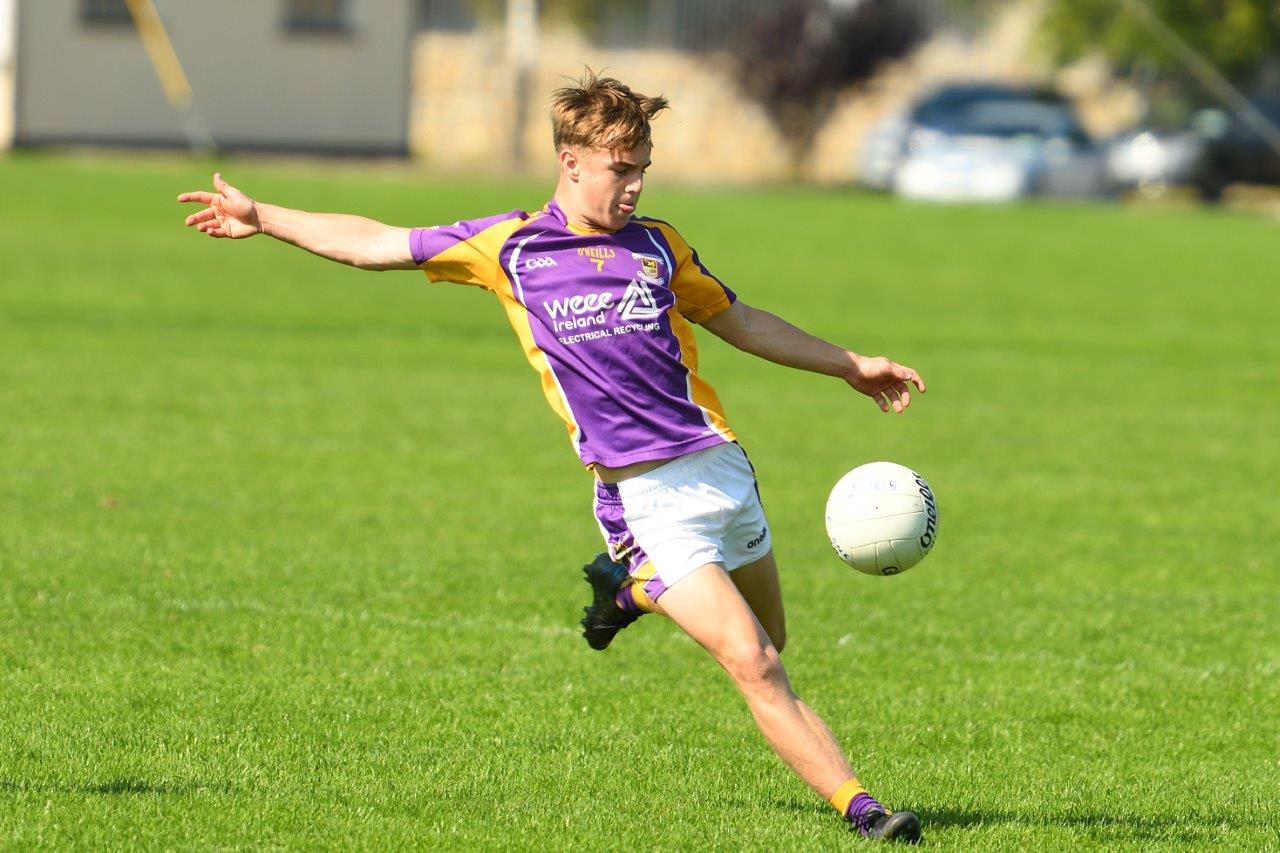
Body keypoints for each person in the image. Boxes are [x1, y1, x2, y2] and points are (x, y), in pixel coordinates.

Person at [178, 71, 927, 843]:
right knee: (754, 662)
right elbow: (376, 243)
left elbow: (740, 321)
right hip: (644, 501)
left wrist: (848, 362)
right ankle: (866, 812)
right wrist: (262, 215)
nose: (635, 184)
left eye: (642, 168)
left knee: (774, 638)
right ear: (571, 160)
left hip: (722, 469)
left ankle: (628, 593)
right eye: (621, 168)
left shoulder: (659, 246)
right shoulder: (511, 245)